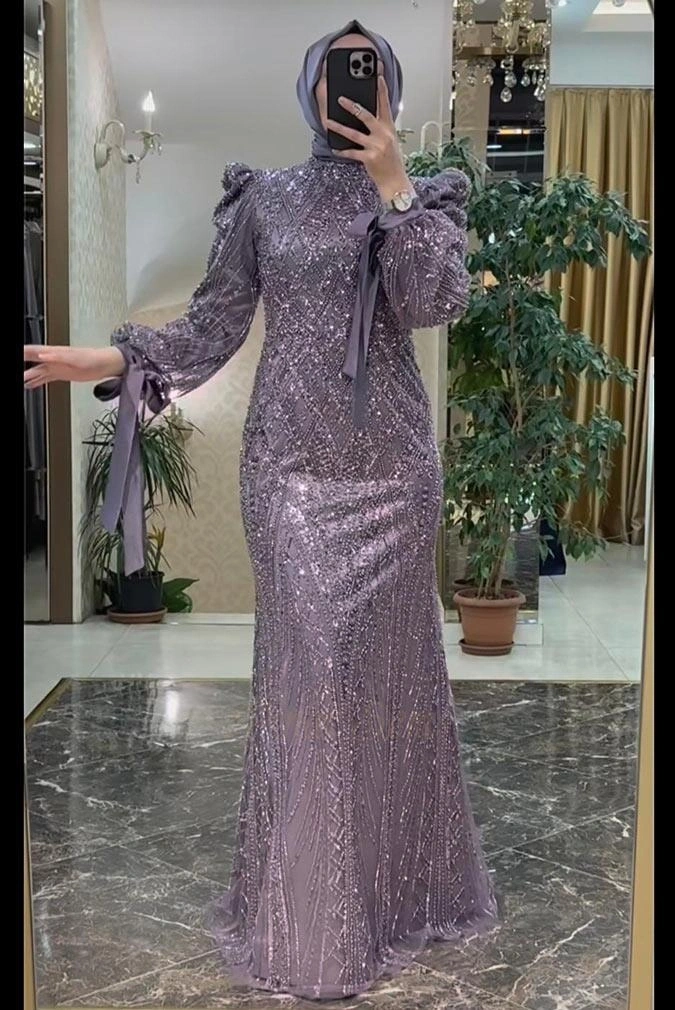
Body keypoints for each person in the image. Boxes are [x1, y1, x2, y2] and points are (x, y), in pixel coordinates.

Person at [24, 18, 498, 1002]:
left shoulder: (426, 195)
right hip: (289, 476)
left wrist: (396, 189)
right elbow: (214, 322)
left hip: (393, 480)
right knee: (310, 683)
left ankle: (394, 897)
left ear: (389, 87)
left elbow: (433, 301)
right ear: (310, 87)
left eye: (367, 70)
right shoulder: (264, 200)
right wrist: (108, 357)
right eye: (336, 71)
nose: (349, 85)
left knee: (389, 686)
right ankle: (312, 922)